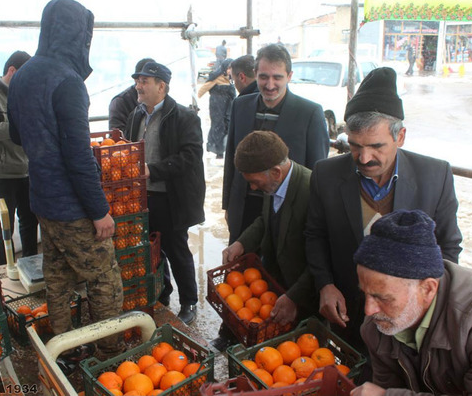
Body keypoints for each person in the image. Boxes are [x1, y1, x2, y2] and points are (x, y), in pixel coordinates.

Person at [305, 67, 463, 356]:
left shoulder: (435, 176)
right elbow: (315, 235)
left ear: (400, 136)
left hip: (408, 320)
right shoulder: (325, 175)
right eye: (354, 146)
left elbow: (449, 246)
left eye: (376, 146)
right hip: (346, 312)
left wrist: (420, 305)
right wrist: (325, 284)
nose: (364, 158)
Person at [7, 0, 123, 357]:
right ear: (78, 35)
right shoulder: (68, 81)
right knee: (104, 277)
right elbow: (78, 155)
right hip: (73, 206)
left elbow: (15, 136)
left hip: (42, 198)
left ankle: (64, 350)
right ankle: (108, 351)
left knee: (57, 277)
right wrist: (99, 210)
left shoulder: (23, 74)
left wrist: (42, 140)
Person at [350, 209, 472, 396]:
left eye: (382, 298)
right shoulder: (375, 328)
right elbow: (389, 384)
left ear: (428, 289)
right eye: (364, 293)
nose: (369, 310)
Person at [212, 131, 318, 351]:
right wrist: (241, 243)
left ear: (276, 172)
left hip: (303, 294)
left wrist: (294, 297)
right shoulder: (275, 183)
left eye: (254, 181)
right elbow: (266, 220)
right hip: (276, 286)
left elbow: (323, 258)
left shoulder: (313, 191)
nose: (252, 188)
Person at [124, 62, 205, 325]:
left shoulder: (184, 117)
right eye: (137, 80)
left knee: (176, 248)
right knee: (152, 250)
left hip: (170, 197)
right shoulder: (136, 115)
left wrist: (153, 170)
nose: (138, 85)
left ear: (162, 86)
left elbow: (190, 157)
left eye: (144, 81)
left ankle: (189, 301)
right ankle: (163, 293)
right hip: (142, 197)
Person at [223, 43, 329, 244]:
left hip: (286, 211)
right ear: (255, 74)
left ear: (289, 76)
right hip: (244, 207)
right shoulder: (240, 105)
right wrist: (228, 205)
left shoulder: (310, 113)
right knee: (240, 269)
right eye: (263, 77)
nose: (270, 84)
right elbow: (231, 159)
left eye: (277, 77)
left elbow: (316, 172)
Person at [0, 51, 38, 265]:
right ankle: (5, 271)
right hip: (1, 174)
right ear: (12, 70)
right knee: (4, 225)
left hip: (27, 169)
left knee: (30, 221)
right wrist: (21, 124)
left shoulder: (26, 94)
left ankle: (32, 265)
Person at [198, 58, 236, 159]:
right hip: (217, 106)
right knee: (218, 126)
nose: (230, 71)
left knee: (227, 125)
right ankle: (218, 150)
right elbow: (202, 90)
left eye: (232, 68)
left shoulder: (232, 79)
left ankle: (222, 148)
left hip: (228, 107)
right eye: (228, 68)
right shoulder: (216, 78)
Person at [108, 58, 155, 133]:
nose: (139, 86)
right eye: (139, 81)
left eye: (145, 81)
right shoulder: (120, 102)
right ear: (135, 80)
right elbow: (117, 138)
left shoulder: (166, 104)